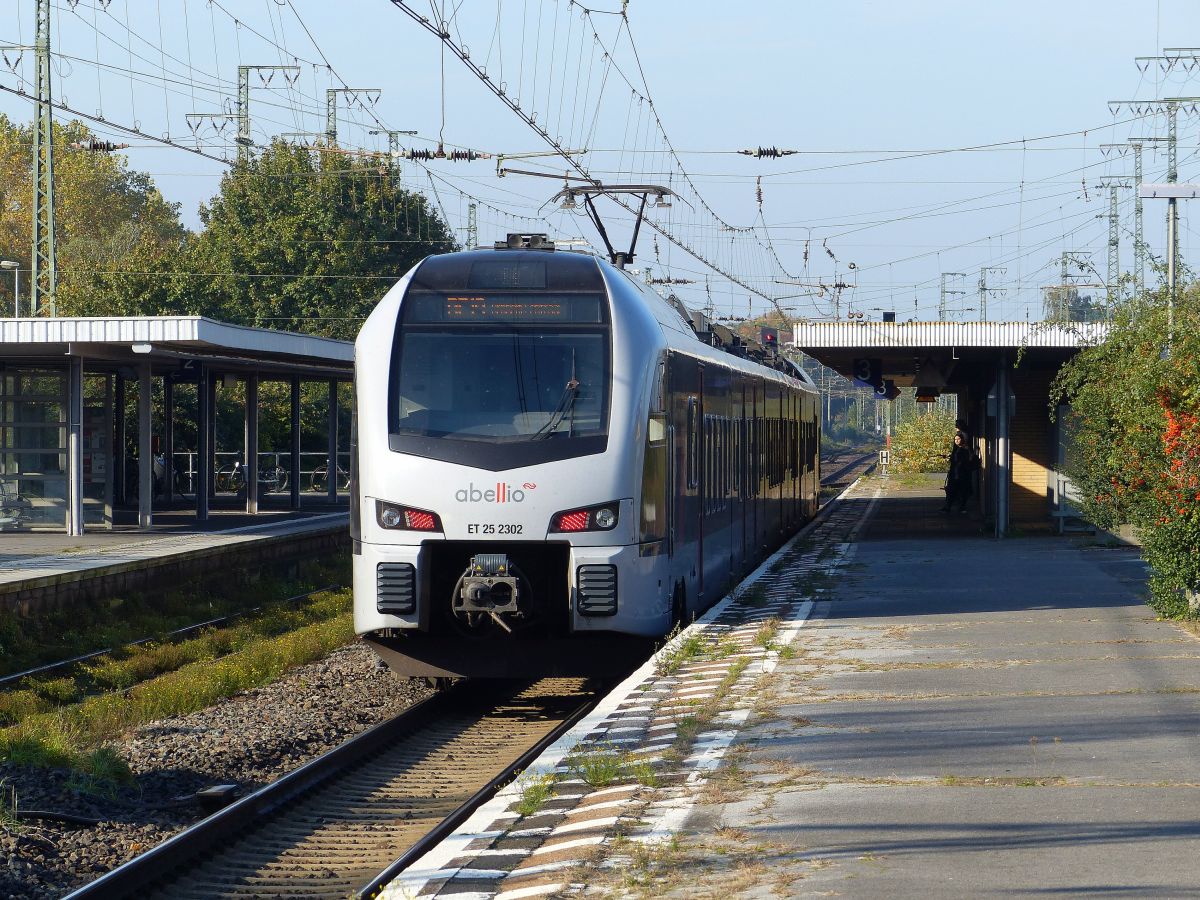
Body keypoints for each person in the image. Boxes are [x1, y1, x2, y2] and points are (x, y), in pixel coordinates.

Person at [942, 430, 977, 513]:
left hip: (963, 474)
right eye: (955, 439)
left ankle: (962, 507)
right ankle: (948, 507)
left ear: (962, 439)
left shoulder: (966, 449)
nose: (956, 441)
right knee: (951, 491)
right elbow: (954, 460)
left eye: (958, 439)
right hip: (954, 473)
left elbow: (967, 460)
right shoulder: (956, 449)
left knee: (962, 491)